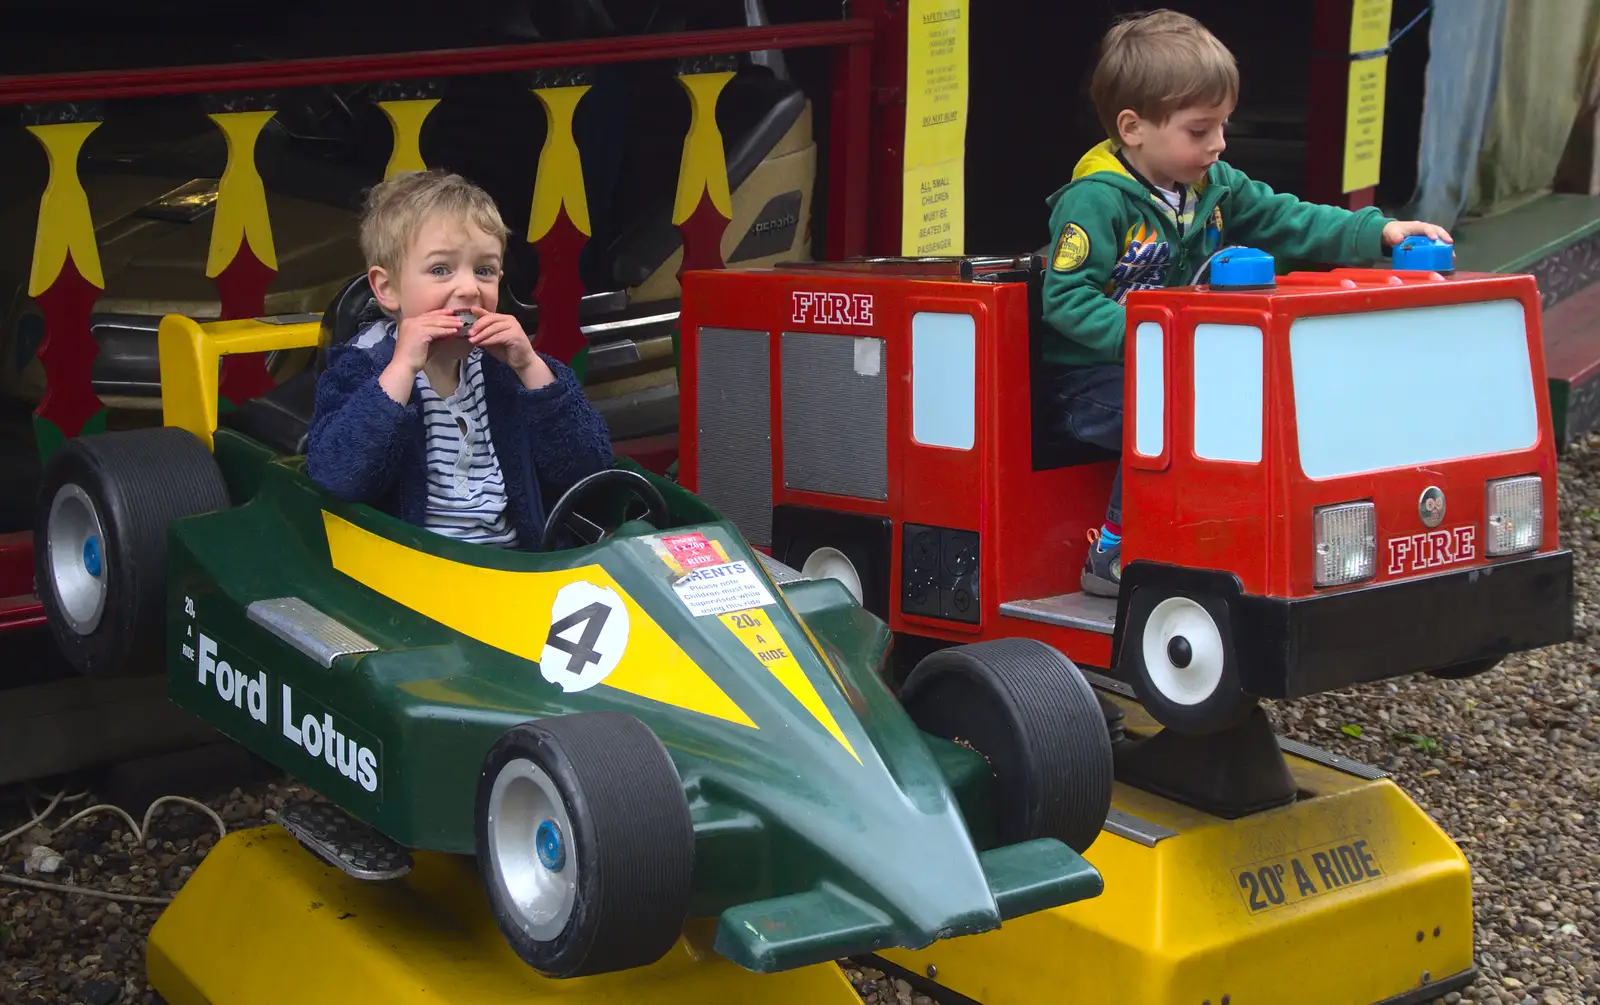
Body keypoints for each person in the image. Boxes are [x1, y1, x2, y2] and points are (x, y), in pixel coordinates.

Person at [1040, 9, 1451, 597]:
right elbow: (1068, 301)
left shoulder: (1216, 187)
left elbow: (1289, 218)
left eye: (1223, 126)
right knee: (1171, 409)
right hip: (1086, 379)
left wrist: (1377, 232)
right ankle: (1113, 548)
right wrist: (1159, 338)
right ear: (1133, 128)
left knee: (1263, 398)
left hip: (1172, 360)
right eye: (1200, 130)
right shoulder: (1095, 202)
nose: (1219, 144)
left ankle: (1251, 537)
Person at [305, 169, 613, 549]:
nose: (469, 288)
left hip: (518, 566)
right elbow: (337, 476)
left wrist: (530, 367)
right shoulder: (361, 368)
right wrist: (401, 370)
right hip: (416, 570)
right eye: (440, 270)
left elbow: (588, 469)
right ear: (387, 289)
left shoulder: (507, 370)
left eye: (484, 271)